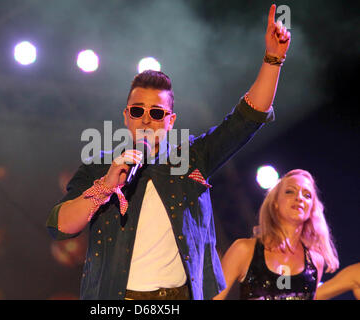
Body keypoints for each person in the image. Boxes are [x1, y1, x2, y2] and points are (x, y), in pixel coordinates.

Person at [46, 4, 291, 300]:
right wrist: (105, 188)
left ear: (171, 121)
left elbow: (248, 118)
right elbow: (60, 226)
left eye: (157, 112)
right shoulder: (100, 168)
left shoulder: (191, 160)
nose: (146, 118)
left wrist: (273, 59)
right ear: (126, 116)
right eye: (138, 110)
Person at [213, 169, 339, 300]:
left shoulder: (315, 261)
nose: (299, 198)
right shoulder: (243, 250)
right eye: (290, 191)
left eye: (307, 195)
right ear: (275, 203)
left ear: (312, 207)